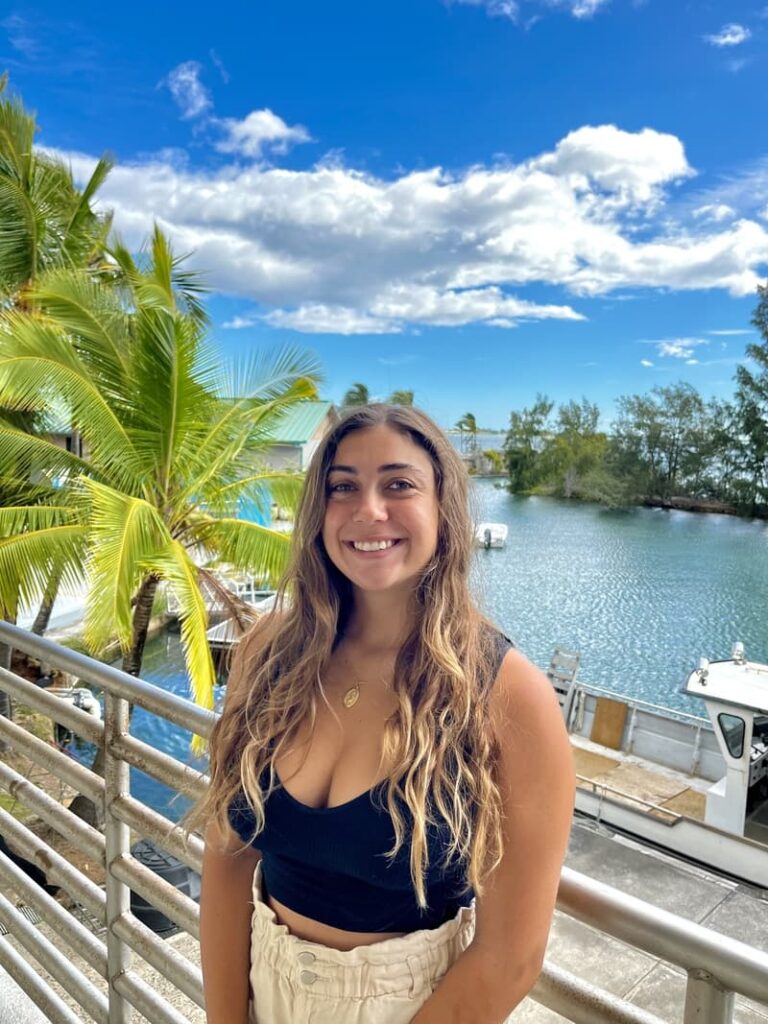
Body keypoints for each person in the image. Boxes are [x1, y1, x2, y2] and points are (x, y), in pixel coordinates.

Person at [191, 403, 574, 1024]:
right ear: (320, 511)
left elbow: (512, 956)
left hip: (417, 1007)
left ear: (442, 507)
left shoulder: (505, 696)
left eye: (398, 484)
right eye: (343, 487)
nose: (368, 510)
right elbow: (228, 854)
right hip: (264, 983)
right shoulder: (269, 652)